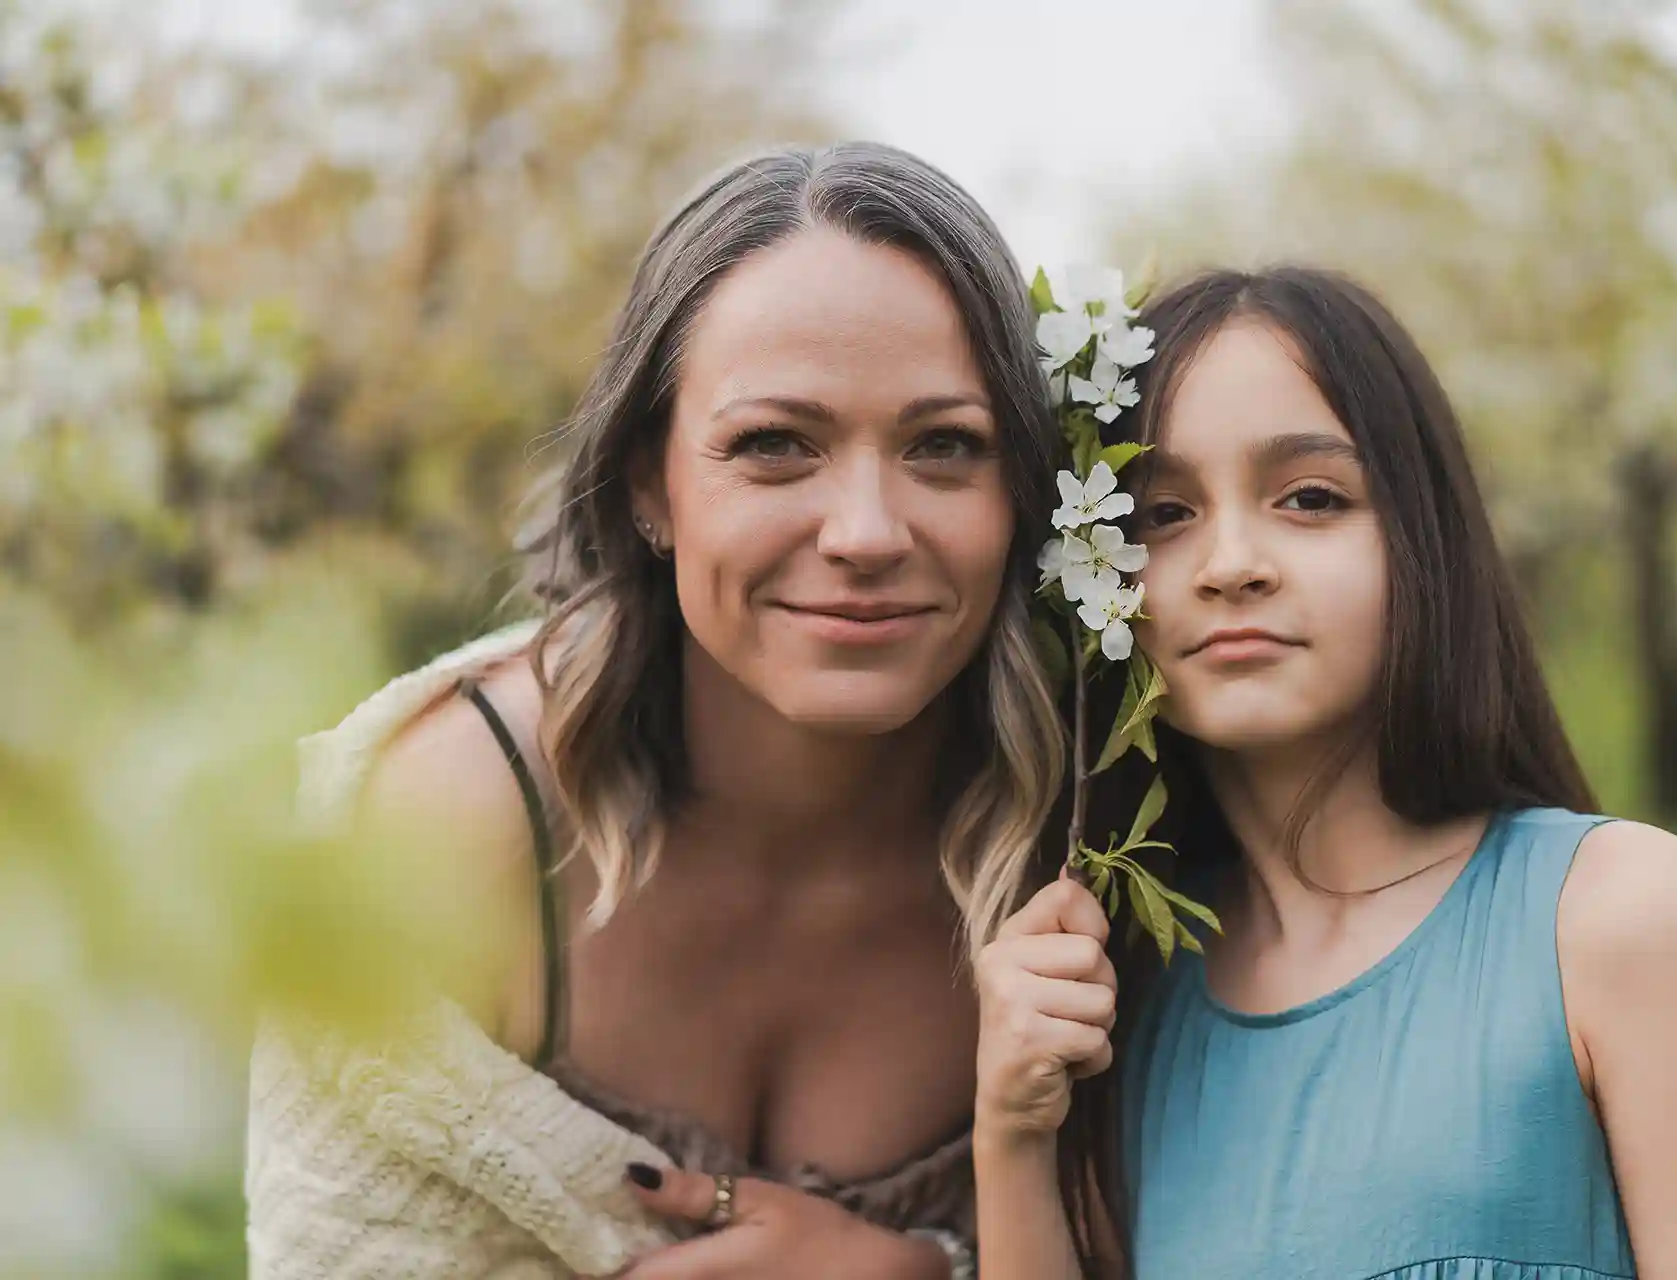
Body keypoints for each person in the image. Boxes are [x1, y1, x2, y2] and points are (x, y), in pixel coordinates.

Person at [246, 141, 1065, 1280]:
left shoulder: (1088, 834)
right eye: (776, 445)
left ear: (1023, 490)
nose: (868, 532)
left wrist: (916, 1270)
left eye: (945, 446)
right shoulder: (443, 821)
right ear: (647, 483)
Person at [972, 266, 1677, 1278]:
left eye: (1311, 497)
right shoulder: (1128, 1001)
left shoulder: (1617, 918)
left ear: (1422, 536)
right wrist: (1014, 1135)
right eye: (1162, 514)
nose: (1231, 561)